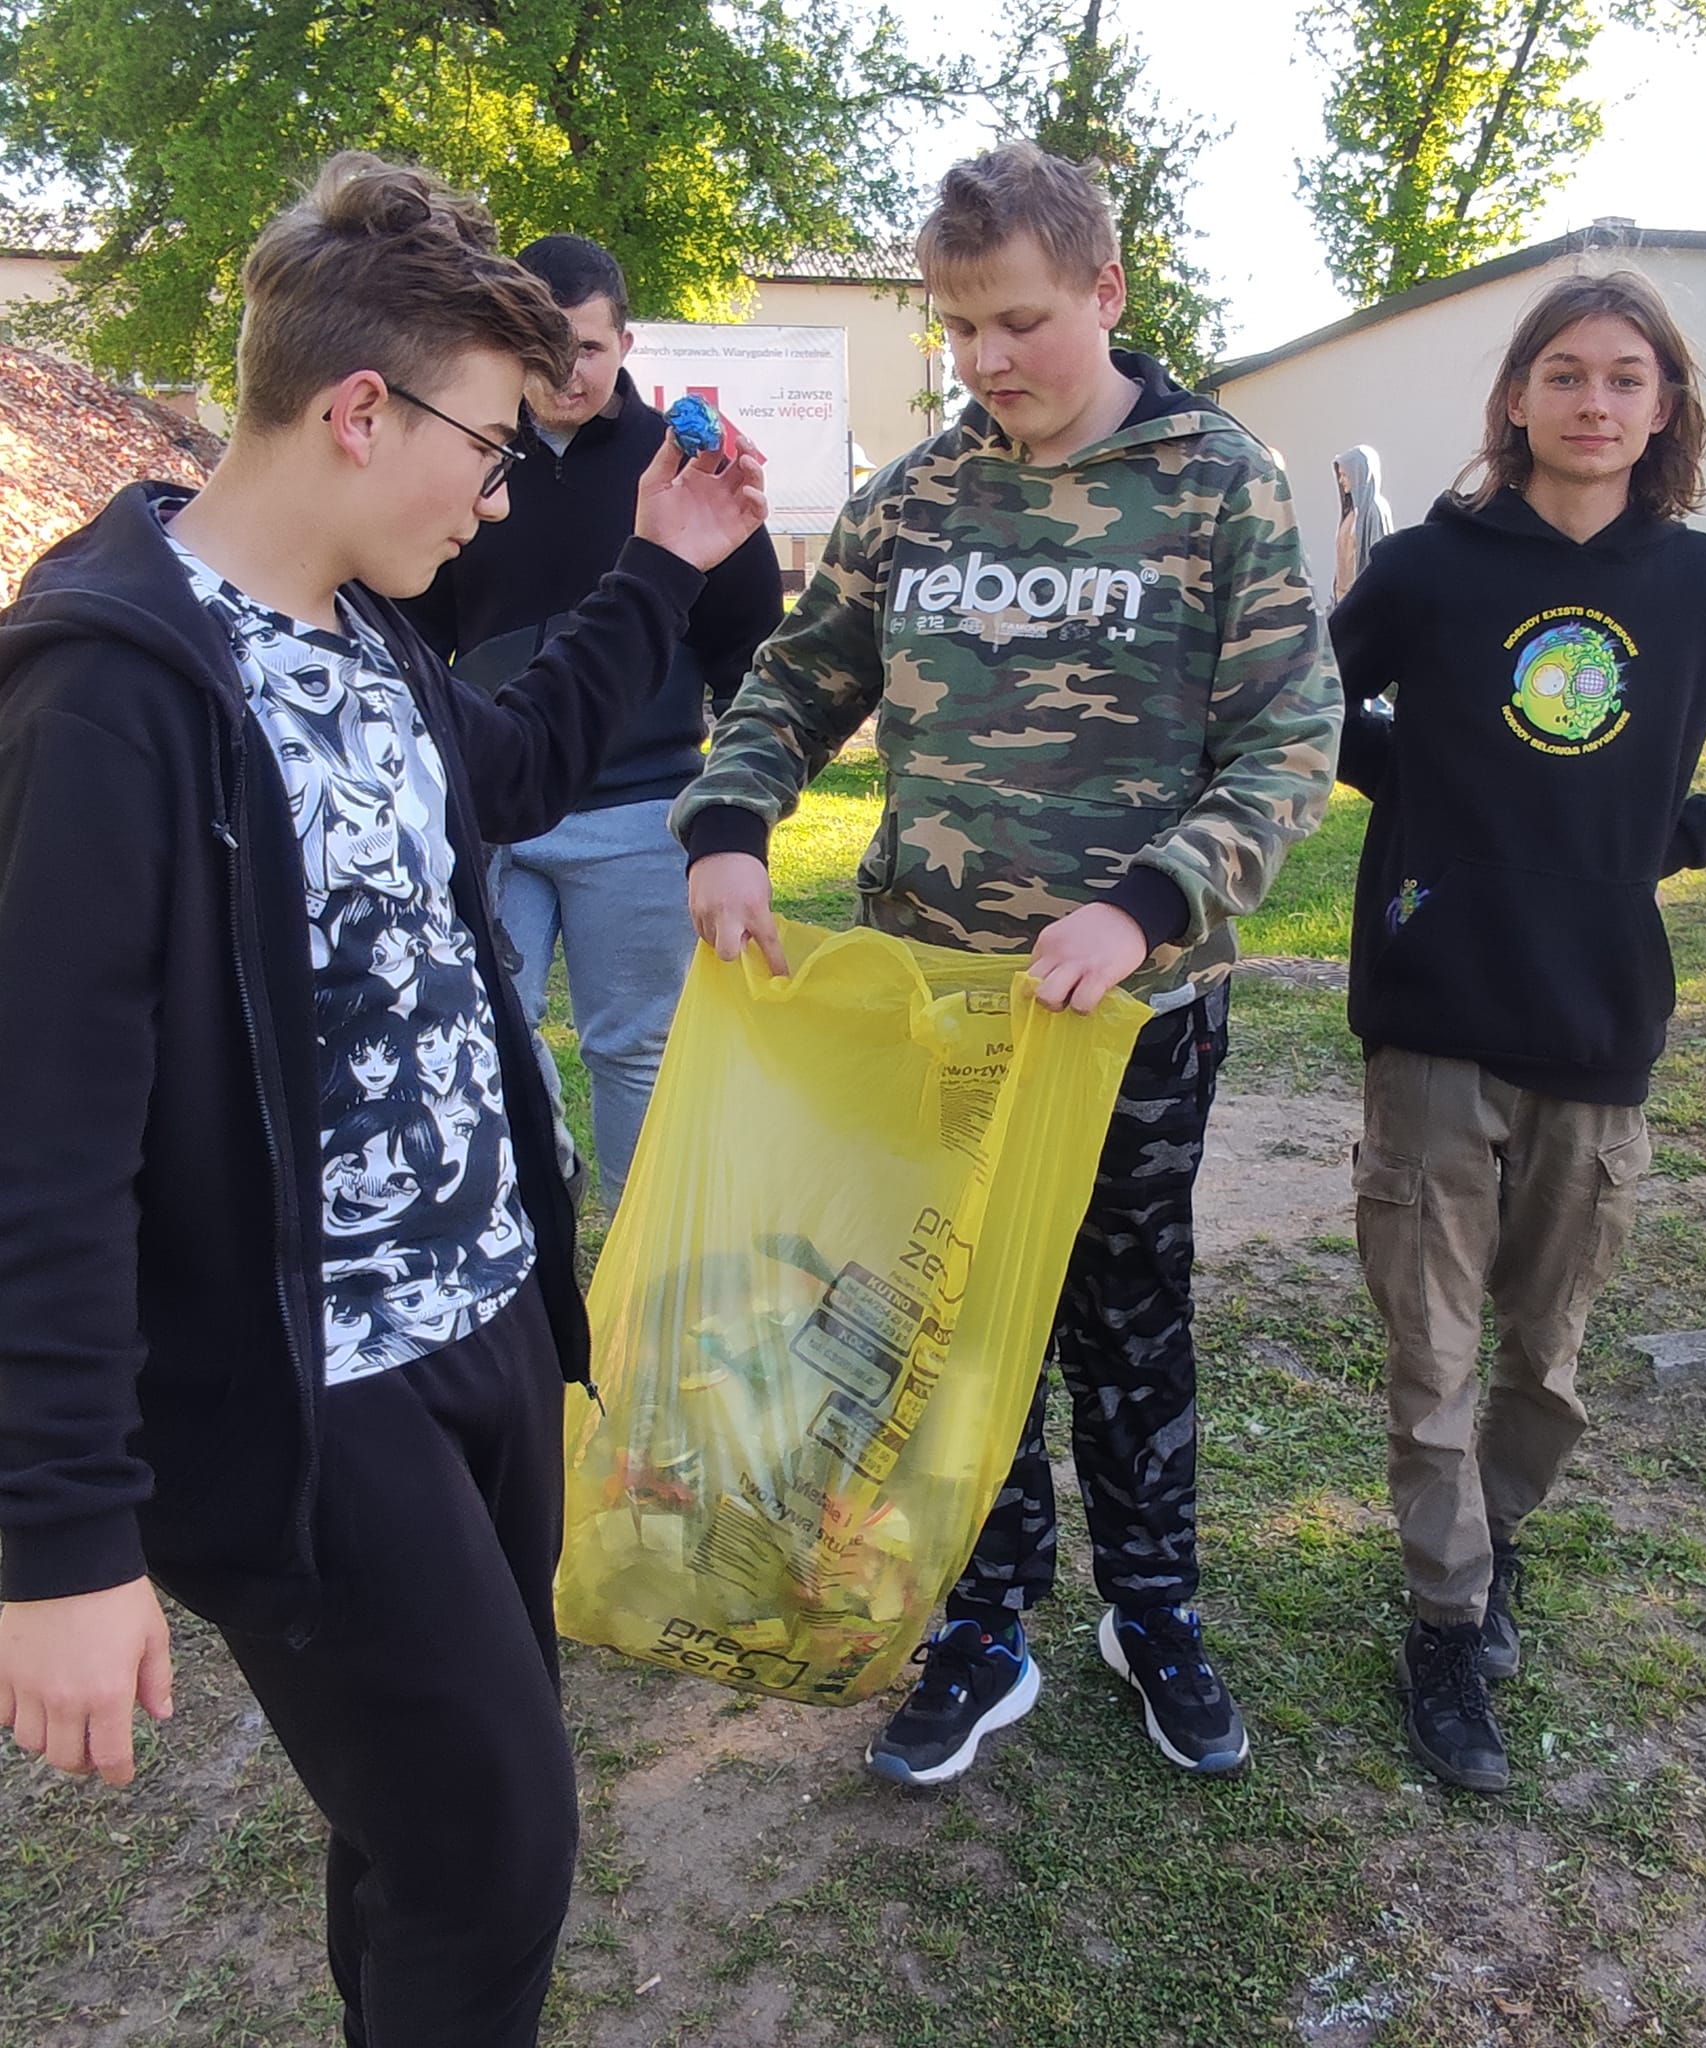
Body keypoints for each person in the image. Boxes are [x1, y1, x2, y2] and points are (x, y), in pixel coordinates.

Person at [0, 153, 765, 2045]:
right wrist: (62, 1543)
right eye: (489, 447)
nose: (499, 495)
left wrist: (663, 559)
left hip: (484, 1326)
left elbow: (513, 767)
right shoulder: (112, 694)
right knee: (495, 1851)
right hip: (310, 1387)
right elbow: (45, 1142)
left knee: (419, 1821)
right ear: (360, 410)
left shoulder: (362, 628)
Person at [678, 141, 1340, 1788]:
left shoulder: (1219, 485)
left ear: (1105, 292)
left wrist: (1146, 903)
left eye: (1018, 322)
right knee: (954, 1324)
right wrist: (730, 824)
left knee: (1127, 1321)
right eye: (957, 326)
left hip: (1134, 1015)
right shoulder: (915, 499)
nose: (983, 359)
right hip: (946, 1013)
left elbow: (1288, 742)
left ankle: (1154, 1610)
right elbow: (790, 683)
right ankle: (983, 1625)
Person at [1330, 270, 1706, 1794]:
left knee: (1543, 1362)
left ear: (1664, 406)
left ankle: (1491, 1548)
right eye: (1564, 373)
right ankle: (1444, 1624)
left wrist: (1671, 840)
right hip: (1434, 1013)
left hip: (1599, 1022)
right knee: (1431, 1353)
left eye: (1626, 377)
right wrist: (1416, 785)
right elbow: (1301, 708)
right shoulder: (1427, 569)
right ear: (1517, 398)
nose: (1594, 401)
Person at [406, 233, 785, 1204]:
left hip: (639, 811)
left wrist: (734, 807)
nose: (565, 371)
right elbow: (414, 625)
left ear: (625, 343)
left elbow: (752, 651)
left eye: (586, 347)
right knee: (483, 1026)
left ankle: (640, 1256)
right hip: (493, 806)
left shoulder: (687, 466)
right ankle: (531, 1213)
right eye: (542, 346)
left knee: (637, 1046)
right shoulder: (468, 457)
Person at [1331, 443, 1393, 604]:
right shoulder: (1351, 513)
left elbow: (1379, 559)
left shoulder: (1375, 509)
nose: (1341, 480)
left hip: (1362, 601)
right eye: (1340, 475)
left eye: (1345, 475)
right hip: (1342, 600)